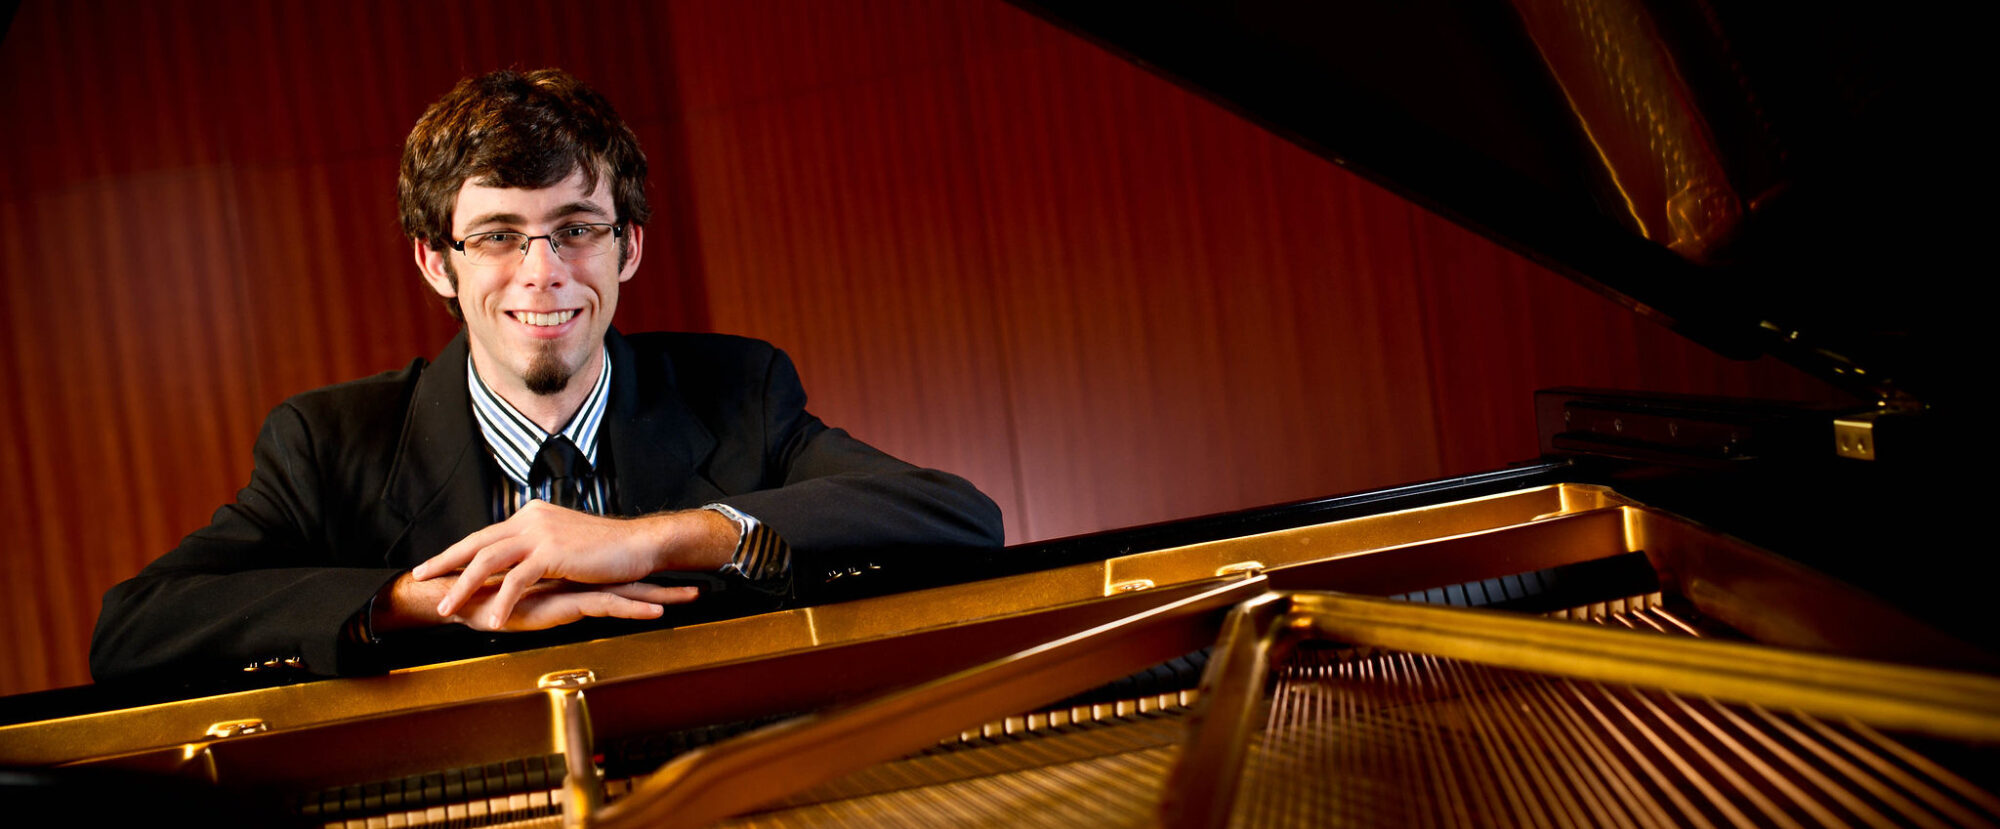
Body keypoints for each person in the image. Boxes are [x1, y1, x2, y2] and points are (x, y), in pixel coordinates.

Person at [89, 69, 1004, 684]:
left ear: (628, 247)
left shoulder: (738, 391)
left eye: (576, 227)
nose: (543, 272)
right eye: (497, 235)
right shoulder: (330, 443)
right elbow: (135, 630)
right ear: (435, 263)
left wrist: (660, 538)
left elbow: (958, 518)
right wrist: (422, 599)